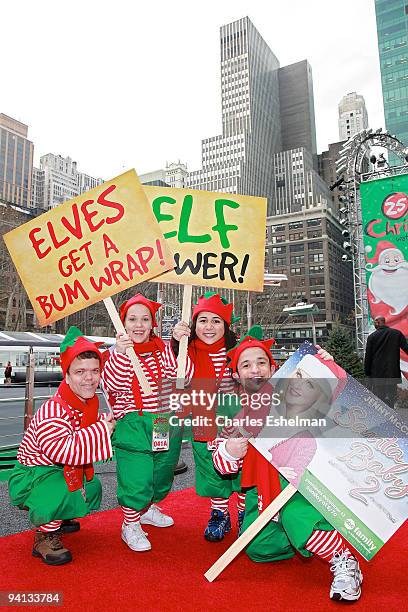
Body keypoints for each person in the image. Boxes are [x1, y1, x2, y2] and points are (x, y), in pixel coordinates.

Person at [212, 328, 363, 602]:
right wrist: (229, 451)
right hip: (262, 496)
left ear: (274, 368)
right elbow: (222, 466)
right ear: (236, 375)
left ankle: (342, 558)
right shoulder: (235, 417)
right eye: (246, 365)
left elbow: (335, 393)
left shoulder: (292, 395)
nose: (255, 369)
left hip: (299, 486)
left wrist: (327, 365)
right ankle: (304, 535)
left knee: (297, 517)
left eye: (261, 362)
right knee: (258, 549)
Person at [8, 327, 115, 566]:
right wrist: (101, 430)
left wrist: (102, 423)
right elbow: (62, 450)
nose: (89, 378)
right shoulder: (53, 410)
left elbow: (80, 428)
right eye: (80, 372)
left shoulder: (84, 402)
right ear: (66, 376)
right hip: (33, 476)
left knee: (92, 485)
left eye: (94, 371)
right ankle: (44, 537)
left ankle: (60, 517)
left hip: (55, 470)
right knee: (64, 491)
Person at [101, 293, 190, 552]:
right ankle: (130, 524)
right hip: (133, 423)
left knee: (160, 471)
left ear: (152, 323)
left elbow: (176, 377)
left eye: (144, 319)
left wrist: (176, 343)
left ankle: (148, 509)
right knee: (136, 477)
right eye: (132, 319)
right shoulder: (115, 353)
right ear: (123, 323)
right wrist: (119, 353)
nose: (138, 325)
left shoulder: (160, 349)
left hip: (161, 420)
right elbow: (113, 385)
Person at [172, 292, 245, 542]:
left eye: (216, 321)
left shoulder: (236, 350)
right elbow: (175, 375)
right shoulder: (185, 350)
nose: (209, 327)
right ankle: (219, 513)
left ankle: (245, 513)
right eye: (203, 320)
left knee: (243, 470)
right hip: (203, 420)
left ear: (225, 326)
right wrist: (176, 343)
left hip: (235, 420)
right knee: (212, 470)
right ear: (194, 324)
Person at [364, 315, 408, 407]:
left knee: (379, 400)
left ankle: (382, 419)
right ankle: (392, 417)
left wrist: (367, 372)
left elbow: (368, 356)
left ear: (377, 322)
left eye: (374, 322)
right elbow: (406, 348)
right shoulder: (397, 334)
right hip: (393, 373)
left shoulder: (372, 337)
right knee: (391, 398)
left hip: (377, 374)